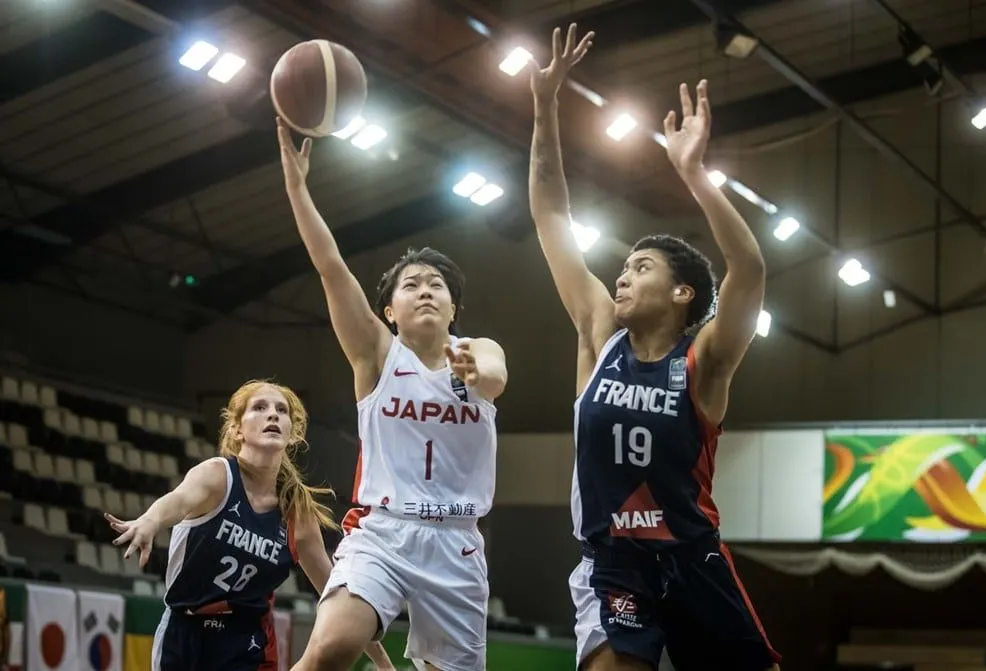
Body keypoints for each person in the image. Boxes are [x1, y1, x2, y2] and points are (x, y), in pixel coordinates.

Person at [526, 24, 780, 671]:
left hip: (693, 556)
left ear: (684, 293)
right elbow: (552, 213)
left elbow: (748, 270)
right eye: (625, 266)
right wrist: (545, 106)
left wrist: (694, 173)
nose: (622, 275)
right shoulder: (597, 333)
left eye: (641, 267)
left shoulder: (706, 360)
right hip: (616, 563)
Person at [276, 116, 507, 671]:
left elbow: (495, 378)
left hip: (457, 543)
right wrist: (297, 189)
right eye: (411, 284)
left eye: (437, 285)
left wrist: (475, 369)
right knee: (332, 646)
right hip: (384, 530)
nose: (425, 289)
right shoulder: (377, 355)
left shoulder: (480, 348)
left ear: (453, 307)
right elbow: (331, 268)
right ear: (389, 310)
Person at [104, 380, 395, 671]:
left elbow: (336, 596)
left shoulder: (297, 509)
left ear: (292, 434)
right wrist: (149, 521)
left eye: (281, 410)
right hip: (185, 629)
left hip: (247, 642)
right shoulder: (217, 475)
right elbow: (178, 500)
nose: (273, 415)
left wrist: (383, 662)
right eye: (260, 407)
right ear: (236, 430)